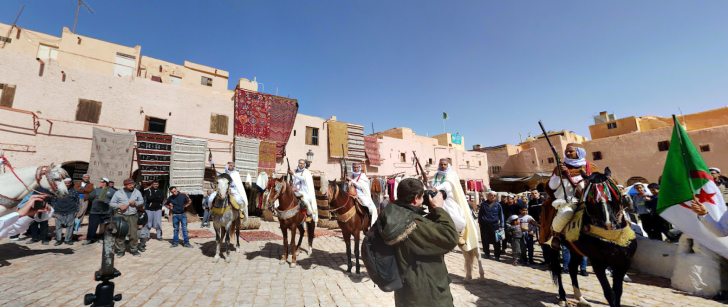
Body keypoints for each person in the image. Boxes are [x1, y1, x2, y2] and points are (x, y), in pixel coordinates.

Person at [378, 178, 457, 307]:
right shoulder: (412, 224)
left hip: (407, 291)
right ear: (416, 198)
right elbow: (450, 237)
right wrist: (439, 209)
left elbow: (425, 228)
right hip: (428, 294)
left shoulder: (393, 216)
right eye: (421, 197)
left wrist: (429, 212)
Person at [543, 143, 600, 248]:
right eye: (567, 151)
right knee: (566, 214)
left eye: (571, 151)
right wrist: (559, 174)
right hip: (569, 201)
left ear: (579, 152)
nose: (568, 153)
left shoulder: (591, 167)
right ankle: (555, 234)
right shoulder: (560, 167)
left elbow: (599, 183)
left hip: (589, 199)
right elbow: (552, 186)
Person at [429, 158, 474, 248]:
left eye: (445, 164)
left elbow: (447, 186)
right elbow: (430, 184)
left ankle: (459, 235)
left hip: (448, 200)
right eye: (441, 164)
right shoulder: (435, 175)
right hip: (435, 199)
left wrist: (435, 189)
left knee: (456, 217)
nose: (443, 166)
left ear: (448, 165)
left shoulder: (451, 174)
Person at [109, 178, 145, 257]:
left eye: (132, 184)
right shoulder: (118, 193)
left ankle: (134, 249)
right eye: (130, 185)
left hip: (132, 216)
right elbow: (111, 203)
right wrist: (119, 206)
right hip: (120, 216)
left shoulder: (137, 192)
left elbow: (141, 201)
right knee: (120, 234)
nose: (132, 186)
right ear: (125, 185)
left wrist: (135, 203)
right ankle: (120, 250)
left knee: (133, 234)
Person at [83, 178, 117, 245]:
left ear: (105, 183)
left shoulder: (112, 191)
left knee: (104, 226)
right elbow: (89, 197)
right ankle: (90, 239)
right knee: (92, 225)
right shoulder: (96, 190)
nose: (99, 183)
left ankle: (101, 238)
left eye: (101, 182)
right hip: (95, 210)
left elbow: (115, 200)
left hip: (106, 211)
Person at [347, 162, 377, 226]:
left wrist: (351, 181)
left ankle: (370, 222)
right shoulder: (351, 176)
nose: (356, 169)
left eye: (357, 167)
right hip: (351, 193)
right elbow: (349, 185)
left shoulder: (362, 176)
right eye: (354, 167)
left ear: (359, 168)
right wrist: (347, 182)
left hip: (360, 193)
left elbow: (361, 186)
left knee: (368, 206)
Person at [51, 178, 79, 246]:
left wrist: (76, 211)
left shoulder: (74, 191)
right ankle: (59, 240)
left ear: (71, 183)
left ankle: (68, 240)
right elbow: (53, 202)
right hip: (58, 211)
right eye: (65, 183)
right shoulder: (57, 191)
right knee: (58, 227)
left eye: (68, 183)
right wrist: (53, 212)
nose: (67, 184)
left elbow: (77, 202)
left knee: (70, 226)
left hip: (70, 211)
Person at [479, 191, 504, 260]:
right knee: (485, 240)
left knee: (497, 241)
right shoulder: (484, 204)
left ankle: (497, 255)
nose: (493, 196)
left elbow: (501, 216)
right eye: (491, 195)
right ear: (488, 196)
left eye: (494, 195)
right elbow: (480, 214)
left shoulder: (498, 205)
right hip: (485, 225)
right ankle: (487, 253)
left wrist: (501, 226)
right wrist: (480, 223)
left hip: (495, 225)